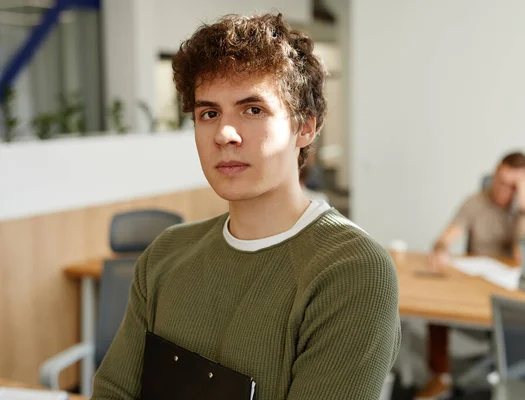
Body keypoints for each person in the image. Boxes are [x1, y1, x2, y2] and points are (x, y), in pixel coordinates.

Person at [91, 13, 401, 400]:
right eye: (209, 113)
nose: (224, 133)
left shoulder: (351, 271)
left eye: (253, 109)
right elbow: (113, 391)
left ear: (305, 127)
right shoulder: (165, 255)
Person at [417, 151, 525, 399]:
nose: (502, 189)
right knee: (435, 305)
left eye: (511, 185)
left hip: (510, 290)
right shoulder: (475, 201)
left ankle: (514, 384)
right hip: (474, 284)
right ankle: (440, 376)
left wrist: (524, 211)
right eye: (499, 180)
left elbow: (522, 259)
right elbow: (446, 237)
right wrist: (440, 249)